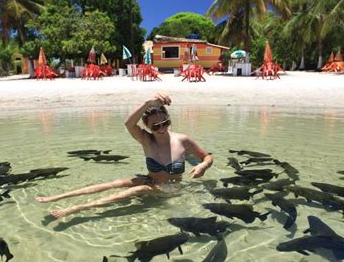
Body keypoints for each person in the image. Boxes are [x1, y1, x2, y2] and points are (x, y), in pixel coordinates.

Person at [36, 93, 213, 218]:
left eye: (165, 122)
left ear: (169, 119)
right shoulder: (146, 140)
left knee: (138, 189)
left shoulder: (183, 140)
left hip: (170, 189)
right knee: (115, 183)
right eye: (156, 126)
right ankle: (57, 197)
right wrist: (147, 103)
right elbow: (128, 124)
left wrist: (203, 165)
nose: (162, 128)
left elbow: (207, 157)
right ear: (147, 127)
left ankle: (77, 209)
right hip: (150, 180)